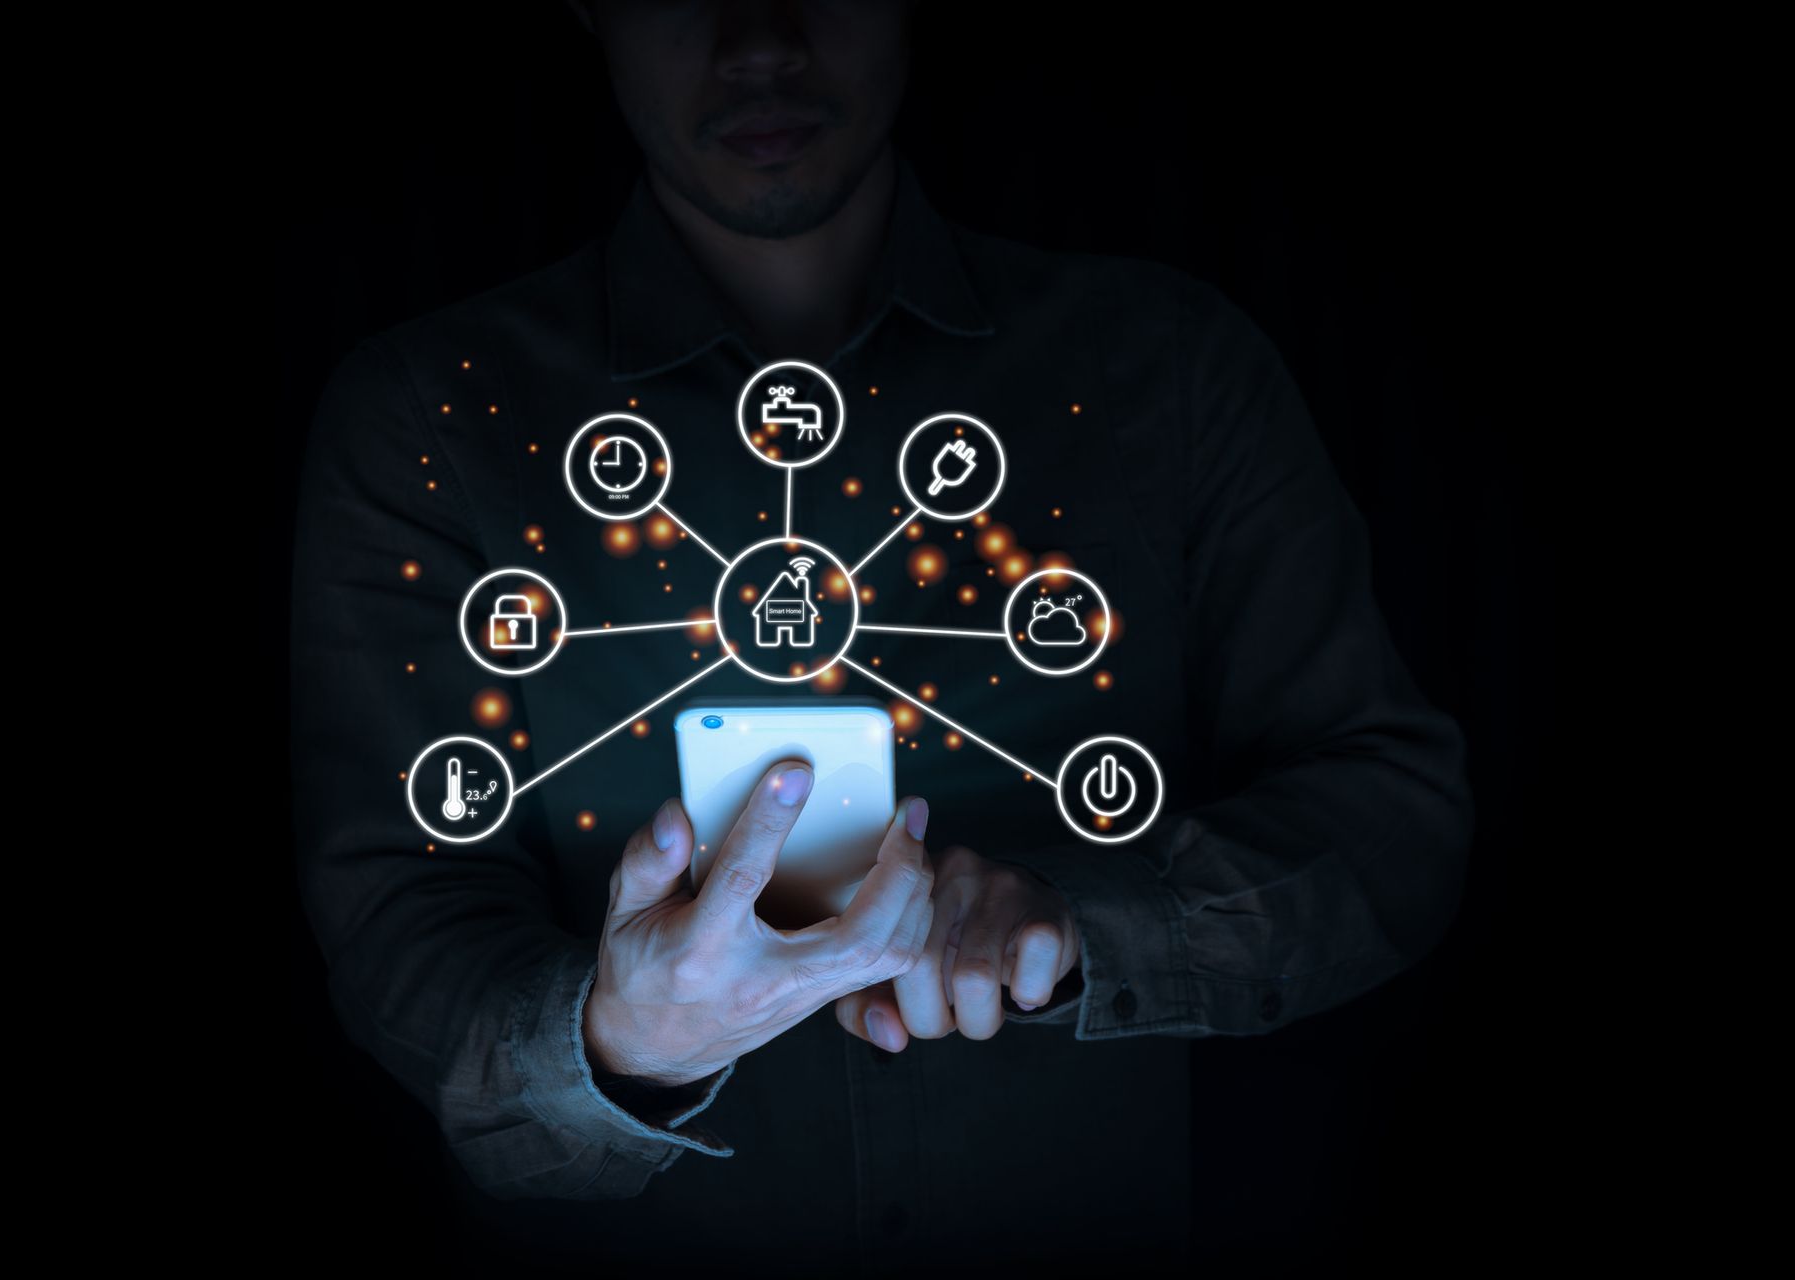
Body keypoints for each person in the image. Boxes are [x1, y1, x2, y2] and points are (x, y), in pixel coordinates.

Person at [290, 1, 1473, 1266]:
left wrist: (1083, 929)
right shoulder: (431, 416)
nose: (759, 40)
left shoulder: (1167, 368)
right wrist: (620, 1043)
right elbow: (397, 917)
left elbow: (1388, 819)